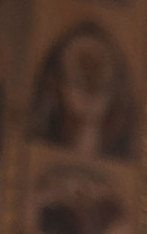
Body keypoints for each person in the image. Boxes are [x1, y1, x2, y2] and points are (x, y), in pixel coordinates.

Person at [26, 17, 134, 158]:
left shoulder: (105, 98)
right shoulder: (67, 92)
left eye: (93, 66)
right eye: (84, 65)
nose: (89, 73)